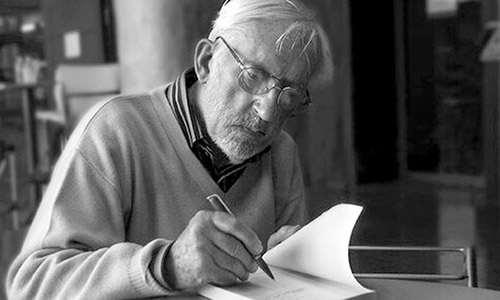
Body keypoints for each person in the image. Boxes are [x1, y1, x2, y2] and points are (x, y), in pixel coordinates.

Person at [6, 0, 333, 298]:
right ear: (206, 62)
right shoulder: (116, 132)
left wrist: (292, 264)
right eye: (252, 77)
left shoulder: (281, 153)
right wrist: (167, 266)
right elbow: (33, 285)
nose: (268, 113)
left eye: (289, 95)